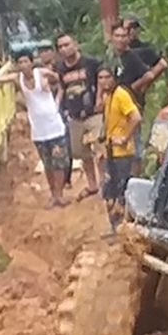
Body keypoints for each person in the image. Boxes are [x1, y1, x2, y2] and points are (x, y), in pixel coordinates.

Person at [0, 51, 70, 208]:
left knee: (59, 162)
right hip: (38, 129)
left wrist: (57, 100)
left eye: (26, 61)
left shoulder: (43, 74)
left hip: (54, 125)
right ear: (17, 65)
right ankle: (53, 194)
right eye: (20, 62)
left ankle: (59, 195)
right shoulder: (17, 79)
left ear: (32, 62)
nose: (23, 65)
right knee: (48, 164)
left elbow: (60, 82)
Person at [108, 21, 167, 175]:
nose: (120, 39)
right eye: (117, 36)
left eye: (123, 36)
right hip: (115, 106)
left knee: (134, 144)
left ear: (129, 38)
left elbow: (148, 74)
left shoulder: (132, 56)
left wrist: (134, 87)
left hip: (132, 104)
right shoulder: (113, 57)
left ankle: (135, 177)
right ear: (111, 38)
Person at [54, 34, 103, 198]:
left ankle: (104, 183)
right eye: (60, 46)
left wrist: (99, 99)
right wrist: (56, 106)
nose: (64, 49)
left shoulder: (90, 62)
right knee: (80, 152)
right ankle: (92, 185)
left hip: (93, 113)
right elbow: (61, 88)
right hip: (74, 116)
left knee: (99, 148)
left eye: (66, 44)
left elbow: (102, 80)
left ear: (75, 44)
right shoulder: (60, 68)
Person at [97, 65, 141, 229]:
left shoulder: (121, 95)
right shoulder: (109, 96)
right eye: (100, 78)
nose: (104, 81)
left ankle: (122, 229)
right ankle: (115, 229)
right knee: (109, 193)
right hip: (111, 151)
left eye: (107, 77)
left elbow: (135, 117)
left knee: (121, 192)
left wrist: (124, 138)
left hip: (122, 153)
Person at [38, 43, 73, 189]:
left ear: (53, 52)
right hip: (45, 116)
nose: (45, 53)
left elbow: (62, 87)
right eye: (42, 51)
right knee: (49, 151)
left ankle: (67, 177)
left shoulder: (60, 67)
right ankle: (56, 183)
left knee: (66, 146)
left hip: (63, 110)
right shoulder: (37, 71)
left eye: (47, 50)